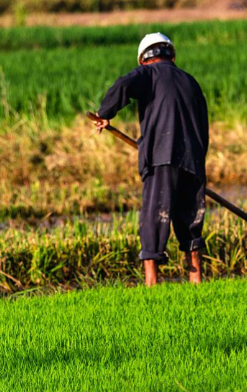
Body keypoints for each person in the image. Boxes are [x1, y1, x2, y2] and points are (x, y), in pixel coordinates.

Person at [89, 33, 209, 287]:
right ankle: (196, 281)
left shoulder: (148, 74)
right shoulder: (190, 81)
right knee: (191, 219)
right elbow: (203, 124)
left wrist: (104, 113)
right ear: (172, 56)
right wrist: (197, 161)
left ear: (144, 59)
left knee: (155, 217)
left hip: (161, 157)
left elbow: (123, 85)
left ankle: (151, 283)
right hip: (193, 159)